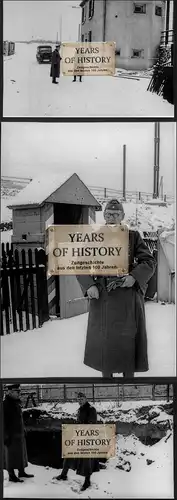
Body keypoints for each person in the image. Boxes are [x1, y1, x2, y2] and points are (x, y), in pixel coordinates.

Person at [77, 199, 156, 378]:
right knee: (106, 342)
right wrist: (89, 285)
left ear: (122, 216)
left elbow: (149, 262)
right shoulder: (94, 236)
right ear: (104, 216)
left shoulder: (133, 236)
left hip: (127, 296)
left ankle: (129, 379)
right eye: (108, 214)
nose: (112, 217)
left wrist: (134, 277)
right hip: (102, 296)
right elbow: (80, 263)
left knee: (128, 338)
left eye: (116, 214)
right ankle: (107, 379)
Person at [54, 392, 100, 491]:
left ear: (86, 399)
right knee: (69, 453)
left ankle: (87, 481)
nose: (80, 401)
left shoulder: (91, 409)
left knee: (87, 460)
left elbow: (92, 424)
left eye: (81, 399)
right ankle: (63, 475)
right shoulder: (80, 409)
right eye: (78, 399)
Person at [3, 384, 34, 483]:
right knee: (10, 456)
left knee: (21, 454)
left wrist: (23, 429)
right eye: (17, 392)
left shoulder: (16, 402)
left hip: (19, 434)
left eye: (19, 391)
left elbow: (18, 418)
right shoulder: (5, 404)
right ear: (9, 392)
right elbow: (3, 422)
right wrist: (5, 436)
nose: (19, 393)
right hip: (11, 436)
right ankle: (11, 475)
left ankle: (21, 472)